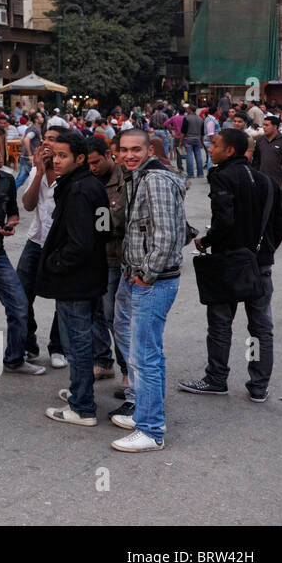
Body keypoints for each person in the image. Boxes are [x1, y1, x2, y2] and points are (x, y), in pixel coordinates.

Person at [181, 127, 279, 404]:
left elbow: (225, 221)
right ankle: (258, 384)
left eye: (214, 144)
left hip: (229, 264)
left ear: (229, 151)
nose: (209, 148)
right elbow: (278, 227)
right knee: (259, 328)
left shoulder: (222, 177)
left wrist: (206, 240)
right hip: (260, 265)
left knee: (221, 324)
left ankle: (216, 378)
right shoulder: (267, 181)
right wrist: (262, 253)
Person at [104, 127, 187, 451]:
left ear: (149, 150)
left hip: (154, 282)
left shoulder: (154, 180)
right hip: (144, 277)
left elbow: (167, 236)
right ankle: (146, 411)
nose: (129, 155)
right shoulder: (141, 175)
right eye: (124, 150)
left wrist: (146, 274)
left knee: (145, 356)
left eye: (136, 149)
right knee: (146, 354)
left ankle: (151, 430)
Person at [38, 131, 110, 428]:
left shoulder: (80, 190)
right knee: (83, 341)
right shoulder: (91, 184)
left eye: (62, 155)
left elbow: (80, 242)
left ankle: (83, 407)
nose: (56, 160)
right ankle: (80, 392)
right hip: (91, 275)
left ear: (79, 159)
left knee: (78, 343)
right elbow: (104, 229)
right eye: (54, 155)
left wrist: (55, 263)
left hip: (76, 280)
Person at [0, 136, 46, 378]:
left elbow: (13, 214)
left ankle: (15, 358)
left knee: (19, 305)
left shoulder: (5, 179)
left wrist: (10, 223)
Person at [20, 125, 66, 367]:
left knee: (64, 296)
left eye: (54, 140)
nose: (47, 144)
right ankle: (29, 344)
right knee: (21, 294)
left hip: (62, 245)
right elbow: (27, 205)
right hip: (36, 240)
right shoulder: (36, 170)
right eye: (46, 139)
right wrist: (38, 172)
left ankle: (58, 347)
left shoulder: (70, 174)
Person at [87, 135, 125, 382]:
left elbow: (112, 221)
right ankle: (102, 361)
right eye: (88, 163)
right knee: (94, 312)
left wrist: (87, 222)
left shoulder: (122, 179)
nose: (93, 168)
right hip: (92, 256)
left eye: (96, 162)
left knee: (114, 316)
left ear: (108, 155)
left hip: (114, 256)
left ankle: (127, 371)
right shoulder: (88, 178)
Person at [252, 115, 282, 234]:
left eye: (267, 125)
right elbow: (256, 160)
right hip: (263, 177)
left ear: (275, 127)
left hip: (280, 178)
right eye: (263, 125)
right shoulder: (260, 140)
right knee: (264, 202)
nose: (264, 127)